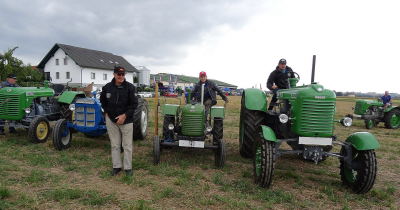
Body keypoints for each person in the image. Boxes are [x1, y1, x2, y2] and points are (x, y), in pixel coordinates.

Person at [100, 66, 138, 176]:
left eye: (122, 74)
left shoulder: (130, 88)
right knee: (115, 145)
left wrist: (124, 116)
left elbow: (134, 105)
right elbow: (102, 101)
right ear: (114, 74)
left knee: (127, 145)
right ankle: (116, 167)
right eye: (118, 74)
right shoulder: (107, 87)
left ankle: (128, 168)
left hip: (126, 120)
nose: (121, 76)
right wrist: (106, 112)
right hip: (111, 120)